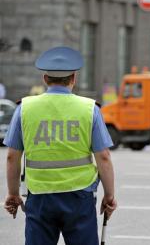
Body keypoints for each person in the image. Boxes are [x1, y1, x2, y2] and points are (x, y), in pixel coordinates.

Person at [3, 46, 117, 245]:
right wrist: (109, 196)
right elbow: (104, 157)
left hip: (39, 196)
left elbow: (12, 156)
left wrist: (13, 194)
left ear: (45, 79)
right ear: (74, 78)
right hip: (79, 196)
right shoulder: (89, 109)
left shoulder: (24, 108)